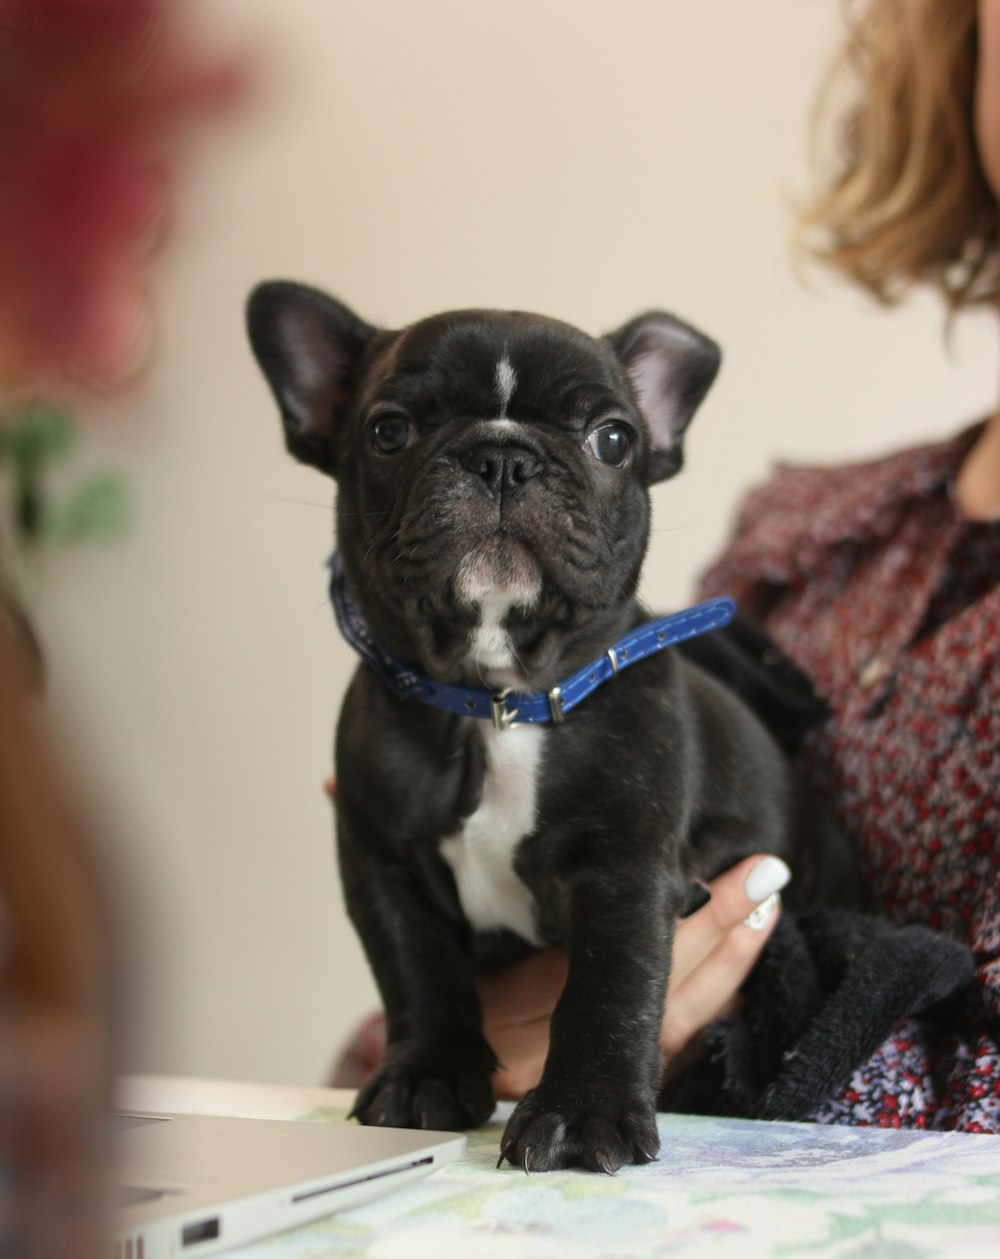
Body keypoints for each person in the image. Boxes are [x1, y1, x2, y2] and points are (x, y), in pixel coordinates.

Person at [332, 0, 999, 1132]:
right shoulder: (803, 536)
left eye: (591, 441)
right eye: (402, 435)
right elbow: (403, 1055)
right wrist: (449, 1035)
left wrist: (638, 1039)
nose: (503, 479)